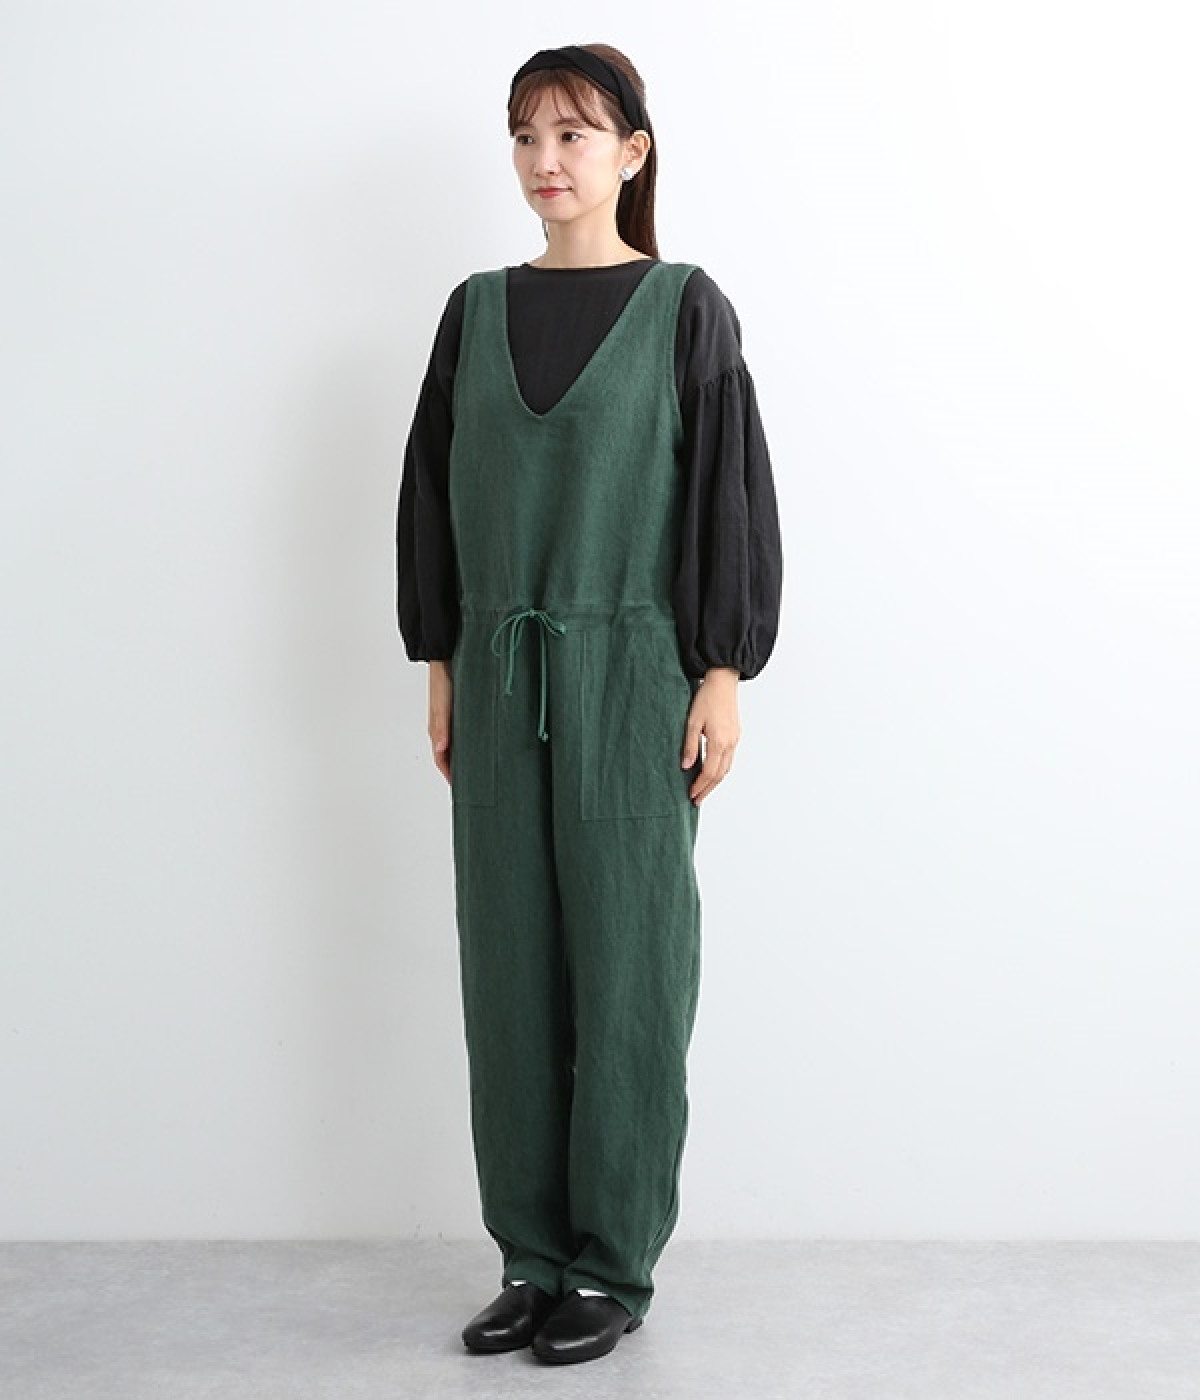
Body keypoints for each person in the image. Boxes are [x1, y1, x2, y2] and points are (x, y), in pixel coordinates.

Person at [395, 42, 783, 1366]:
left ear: (632, 151)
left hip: (634, 678)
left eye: (573, 134)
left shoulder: (685, 309)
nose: (545, 161)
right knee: (507, 969)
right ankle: (530, 1256)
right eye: (525, 136)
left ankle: (611, 1268)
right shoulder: (474, 313)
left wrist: (721, 673)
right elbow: (432, 492)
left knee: (628, 973)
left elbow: (728, 493)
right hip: (498, 676)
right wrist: (442, 662)